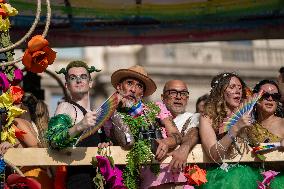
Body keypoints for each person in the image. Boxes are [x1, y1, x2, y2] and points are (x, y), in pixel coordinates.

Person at [105, 65, 182, 189]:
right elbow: (122, 141)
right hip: (133, 179)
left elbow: (177, 135)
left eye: (139, 86)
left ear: (142, 93)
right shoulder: (110, 116)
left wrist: (166, 142)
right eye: (129, 83)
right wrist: (114, 110)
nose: (133, 90)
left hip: (165, 176)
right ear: (119, 87)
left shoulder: (156, 108)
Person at [45, 60, 109, 189]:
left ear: (90, 83)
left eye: (83, 77)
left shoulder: (96, 114)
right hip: (79, 181)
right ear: (67, 85)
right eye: (73, 78)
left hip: (100, 181)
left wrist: (107, 144)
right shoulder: (66, 107)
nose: (78, 81)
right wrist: (80, 126)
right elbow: (53, 140)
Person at [199, 72, 262, 189]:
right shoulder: (207, 117)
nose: (238, 91)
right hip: (221, 178)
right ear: (221, 92)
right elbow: (214, 155)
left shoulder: (249, 113)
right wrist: (235, 128)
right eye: (232, 87)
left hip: (250, 174)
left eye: (240, 88)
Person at [140, 79, 199, 189]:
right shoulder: (149, 113)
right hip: (152, 183)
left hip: (181, 182)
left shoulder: (194, 118)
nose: (178, 97)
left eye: (183, 93)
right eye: (173, 92)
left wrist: (184, 148)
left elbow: (194, 132)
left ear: (187, 98)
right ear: (163, 97)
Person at [246, 79, 284, 188]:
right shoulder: (247, 126)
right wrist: (277, 144)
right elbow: (257, 148)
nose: (270, 99)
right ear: (256, 99)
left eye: (275, 96)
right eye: (265, 95)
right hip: (254, 181)